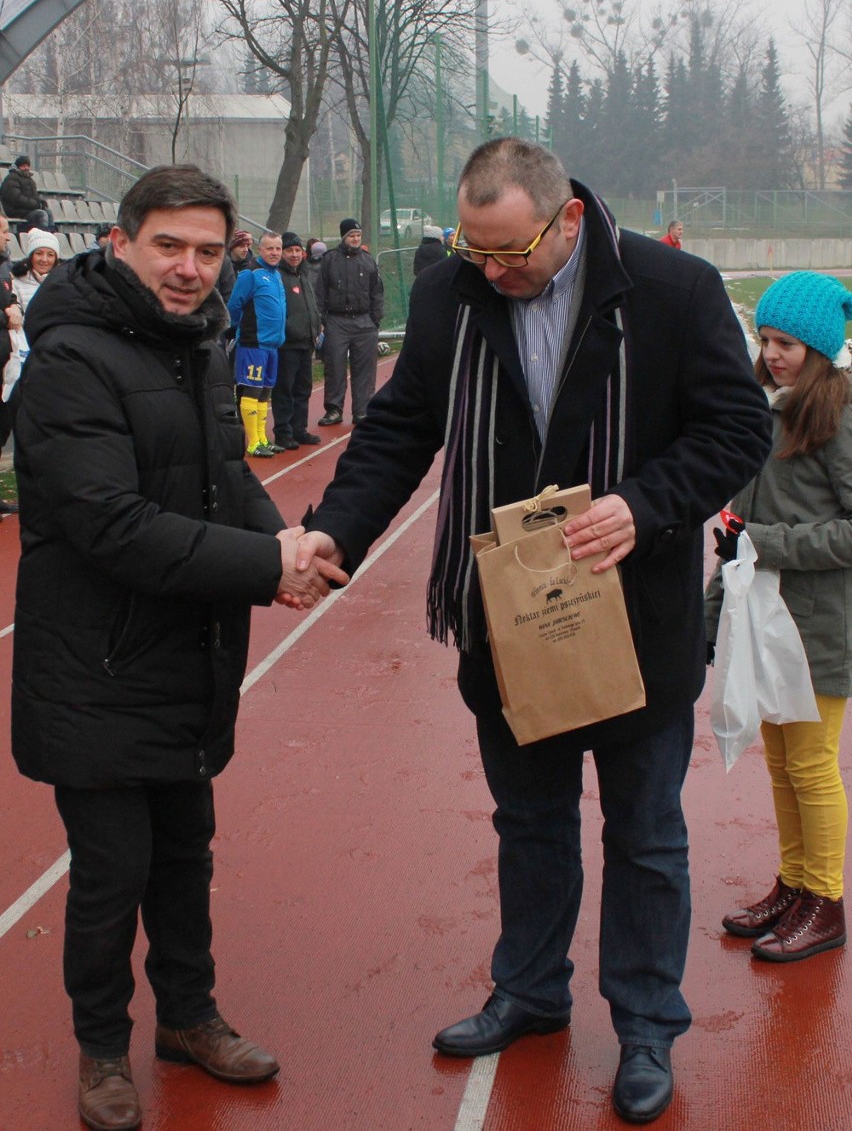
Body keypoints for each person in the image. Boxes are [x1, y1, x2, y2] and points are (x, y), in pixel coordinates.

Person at [293, 138, 771, 1124]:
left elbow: (737, 428)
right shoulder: (449, 294)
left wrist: (646, 504)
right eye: (475, 252)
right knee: (530, 823)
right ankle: (530, 990)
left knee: (645, 837)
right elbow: (397, 429)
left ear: (569, 220)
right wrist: (333, 531)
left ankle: (645, 1024)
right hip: (508, 622)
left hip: (636, 622)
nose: (493, 273)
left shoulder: (675, 289)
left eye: (510, 253)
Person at [10, 164, 346, 1131]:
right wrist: (260, 567)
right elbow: (110, 525)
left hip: (183, 653)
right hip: (96, 666)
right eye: (169, 245)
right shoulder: (71, 362)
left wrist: (295, 546)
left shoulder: (192, 345)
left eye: (207, 249)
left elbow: (222, 477)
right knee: (111, 872)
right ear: (120, 243)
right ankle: (104, 1052)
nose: (190, 267)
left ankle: (189, 1019)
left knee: (185, 856)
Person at [706, 270, 852, 963]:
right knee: (782, 763)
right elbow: (742, 523)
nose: (772, 353)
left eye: (786, 342)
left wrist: (770, 544)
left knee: (814, 764)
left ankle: (825, 901)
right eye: (765, 340)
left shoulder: (840, 417)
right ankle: (794, 885)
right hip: (765, 622)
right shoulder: (766, 410)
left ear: (820, 346)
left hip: (820, 625)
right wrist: (717, 607)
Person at [315, 218, 383, 426]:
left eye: (358, 236)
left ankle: (362, 410)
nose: (355, 239)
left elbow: (377, 291)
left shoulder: (368, 260)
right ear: (344, 237)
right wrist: (321, 320)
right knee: (334, 367)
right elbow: (320, 292)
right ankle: (334, 410)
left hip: (364, 322)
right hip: (337, 321)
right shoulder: (330, 260)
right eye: (351, 235)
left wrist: (375, 320)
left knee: (365, 369)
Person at [227, 230, 287, 457]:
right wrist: (235, 330)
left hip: (273, 345)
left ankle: (262, 438)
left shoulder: (276, 274)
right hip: (254, 343)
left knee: (265, 392)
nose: (274, 253)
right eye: (270, 248)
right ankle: (252, 443)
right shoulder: (250, 274)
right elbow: (234, 305)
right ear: (260, 250)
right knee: (252, 390)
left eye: (278, 248)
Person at [270, 232, 322, 450]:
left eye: (297, 251)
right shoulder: (278, 276)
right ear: (282, 253)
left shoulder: (304, 274)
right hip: (287, 343)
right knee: (285, 389)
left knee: (303, 388)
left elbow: (310, 304)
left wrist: (317, 324)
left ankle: (299, 429)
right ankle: (283, 432)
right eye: (289, 250)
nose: (294, 255)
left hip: (306, 341)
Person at [2, 229, 62, 403]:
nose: (44, 259)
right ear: (30, 256)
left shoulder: (63, 283)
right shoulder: (16, 282)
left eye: (50, 254)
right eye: (39, 253)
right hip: (25, 351)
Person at [0, 212, 22, 510]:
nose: (7, 236)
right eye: (3, 231)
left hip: (6, 363)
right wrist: (5, 318)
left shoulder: (4, 266)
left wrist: (14, 304)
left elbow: (10, 297)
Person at [0, 154, 55, 231]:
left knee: (48, 211)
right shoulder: (11, 178)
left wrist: (41, 203)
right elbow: (16, 199)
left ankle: (51, 236)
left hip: (27, 209)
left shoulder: (30, 180)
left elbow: (35, 196)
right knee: (42, 214)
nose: (26, 168)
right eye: (23, 166)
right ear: (18, 167)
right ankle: (43, 236)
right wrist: (36, 205)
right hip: (15, 210)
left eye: (27, 166)